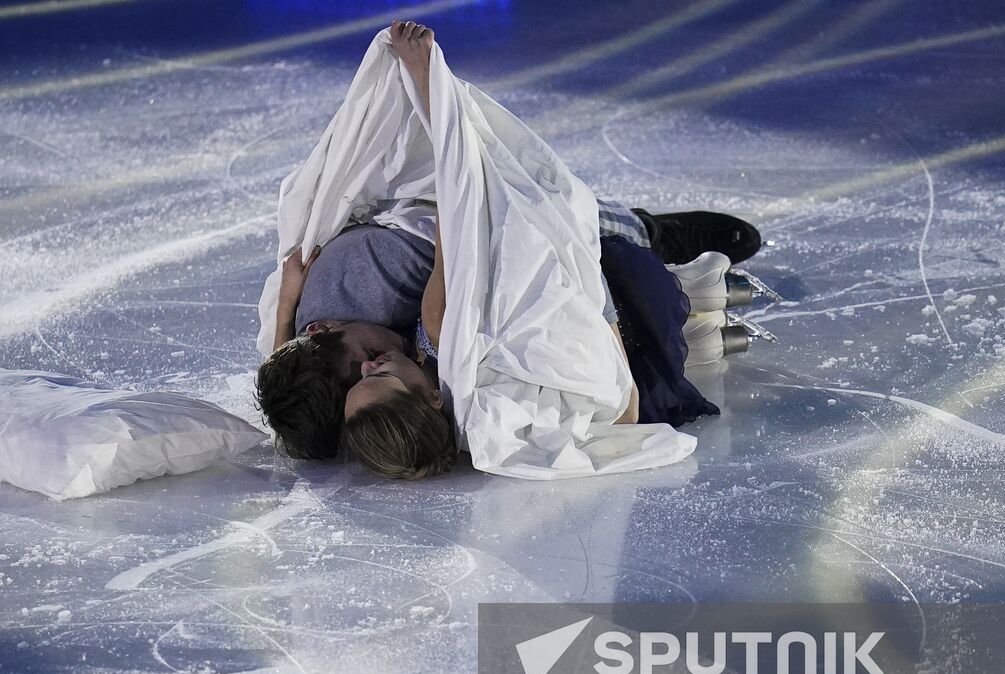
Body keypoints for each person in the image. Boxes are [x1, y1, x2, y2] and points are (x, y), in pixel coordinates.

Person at [257, 21, 771, 471]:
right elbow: (299, 403)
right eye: (371, 375)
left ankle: (655, 237)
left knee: (573, 223)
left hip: (452, 223)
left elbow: (459, 219)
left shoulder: (365, 303)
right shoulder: (347, 372)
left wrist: (427, 86)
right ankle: (691, 312)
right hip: (470, 270)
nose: (378, 358)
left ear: (323, 327)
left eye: (368, 356)